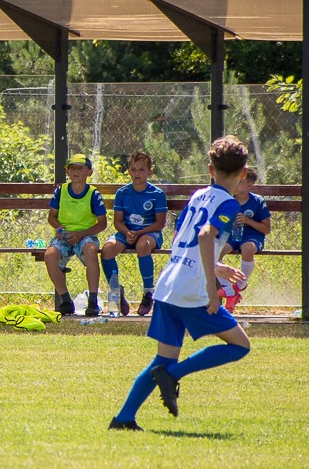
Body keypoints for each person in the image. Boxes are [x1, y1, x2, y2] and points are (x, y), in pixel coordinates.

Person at [109, 136, 253, 431]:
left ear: (210, 169)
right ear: (242, 173)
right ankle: (173, 374)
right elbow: (205, 235)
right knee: (240, 345)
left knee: (162, 359)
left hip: (169, 284)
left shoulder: (198, 195)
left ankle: (123, 419)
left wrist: (215, 266)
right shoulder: (228, 204)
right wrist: (212, 286)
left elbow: (182, 239)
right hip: (191, 291)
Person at [100, 151, 167, 317]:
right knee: (107, 249)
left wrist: (139, 233)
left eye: (142, 170)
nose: (137, 173)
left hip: (149, 233)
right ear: (129, 171)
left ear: (149, 172)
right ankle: (116, 292)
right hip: (127, 232)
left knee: (142, 245)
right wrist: (127, 232)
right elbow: (118, 222)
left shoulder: (157, 194)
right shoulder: (122, 193)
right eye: (133, 169)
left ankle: (148, 293)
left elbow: (160, 223)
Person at [43, 154, 107, 316]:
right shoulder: (61, 191)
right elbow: (51, 217)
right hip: (64, 236)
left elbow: (102, 223)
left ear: (89, 172)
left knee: (91, 250)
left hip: (85, 235)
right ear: (67, 172)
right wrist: (59, 228)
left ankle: (92, 301)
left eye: (80, 168)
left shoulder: (93, 194)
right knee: (50, 255)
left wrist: (80, 234)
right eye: (72, 168)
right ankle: (66, 300)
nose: (76, 172)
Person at [220, 166, 270, 311]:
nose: (236, 184)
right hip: (231, 235)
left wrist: (248, 221)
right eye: (235, 180)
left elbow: (266, 229)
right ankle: (229, 291)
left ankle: (239, 286)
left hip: (252, 236)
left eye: (240, 182)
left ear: (250, 185)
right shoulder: (228, 200)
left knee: (247, 249)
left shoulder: (257, 201)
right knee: (214, 252)